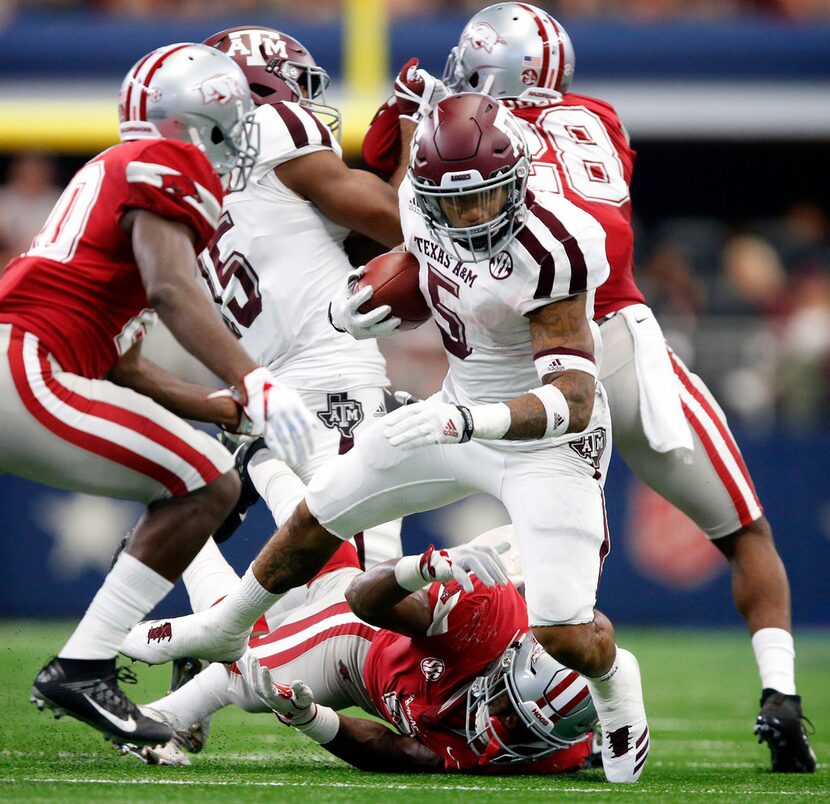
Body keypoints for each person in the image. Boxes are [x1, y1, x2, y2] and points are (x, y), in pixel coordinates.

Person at [121, 92, 650, 784]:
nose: (471, 217)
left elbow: (574, 400)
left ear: (517, 179)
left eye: (486, 200)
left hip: (544, 439)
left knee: (562, 630)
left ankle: (618, 685)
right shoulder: (423, 210)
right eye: (454, 204)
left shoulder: (558, 244)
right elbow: (426, 271)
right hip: (458, 410)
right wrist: (358, 304)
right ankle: (227, 624)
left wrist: (465, 420)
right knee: (325, 508)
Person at [363, 2, 816, 774]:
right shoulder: (597, 118)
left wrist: (415, 109)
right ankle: (780, 694)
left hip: (535, 352)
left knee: (551, 543)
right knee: (743, 530)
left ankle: (497, 672)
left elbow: (413, 211)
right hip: (626, 342)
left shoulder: (464, 130)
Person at [0, 42, 316, 748]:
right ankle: (85, 665)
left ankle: (99, 660)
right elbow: (173, 290)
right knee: (208, 483)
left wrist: (220, 407)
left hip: (28, 363)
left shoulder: (118, 175)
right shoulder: (169, 165)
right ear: (203, 116)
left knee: (204, 472)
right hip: (26, 364)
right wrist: (252, 377)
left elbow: (128, 367)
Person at [120, 526, 599, 774]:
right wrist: (424, 568)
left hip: (378, 661)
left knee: (321, 549)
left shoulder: (554, 749)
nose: (502, 727)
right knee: (242, 669)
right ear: (513, 659)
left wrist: (315, 721)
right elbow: (363, 601)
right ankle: (152, 719)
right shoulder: (481, 615)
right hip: (357, 646)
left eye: (525, 730)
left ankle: (237, 481)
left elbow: (403, 753)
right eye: (508, 708)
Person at [198, 25, 405, 571]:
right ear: (258, 87)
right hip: (331, 371)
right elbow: (399, 222)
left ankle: (218, 637)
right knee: (368, 578)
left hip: (271, 383)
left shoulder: (193, 173)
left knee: (315, 577)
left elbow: (341, 238)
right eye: (296, 84)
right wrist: (415, 139)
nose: (307, 101)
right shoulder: (270, 124)